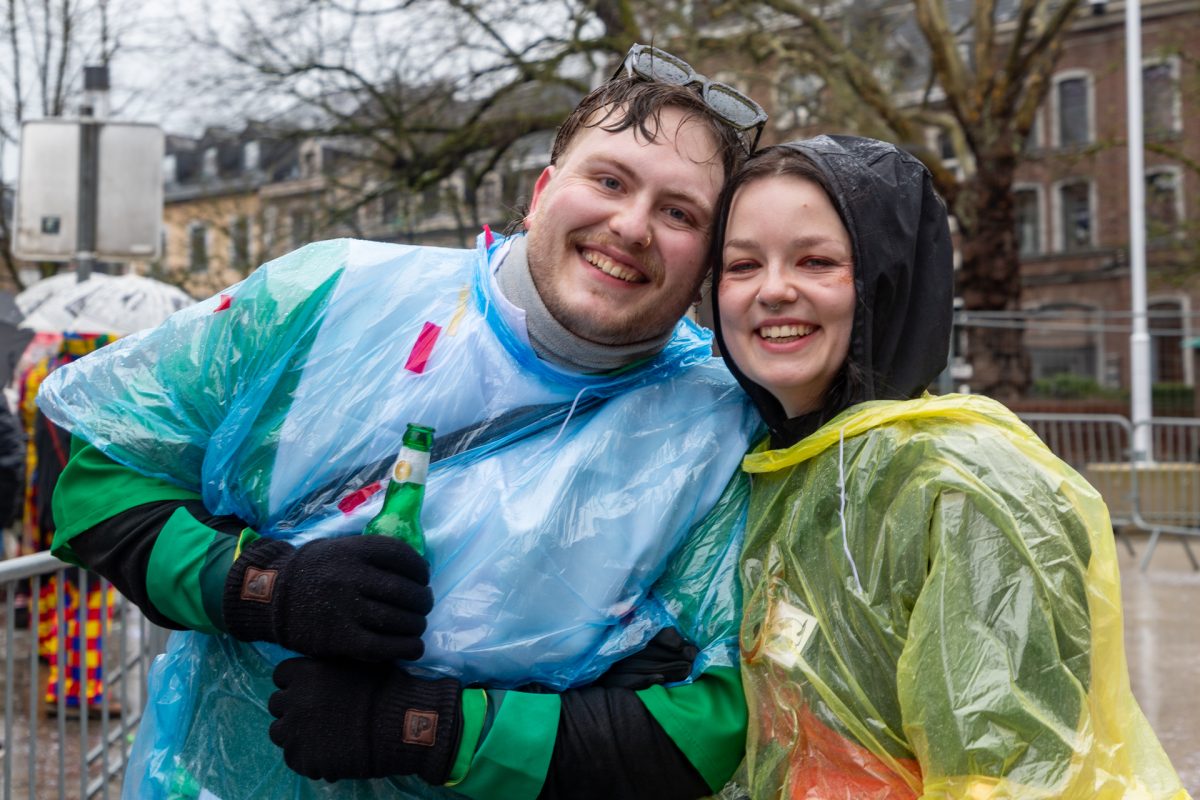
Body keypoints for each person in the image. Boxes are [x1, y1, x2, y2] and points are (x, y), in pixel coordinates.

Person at [37, 45, 767, 800]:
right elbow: (98, 476)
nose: (632, 225)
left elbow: (714, 721)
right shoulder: (327, 294)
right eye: (609, 180)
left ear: (709, 259)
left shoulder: (722, 429)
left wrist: (433, 728)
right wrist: (268, 590)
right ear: (544, 190)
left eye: (680, 213)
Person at [709, 134, 1193, 799]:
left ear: (888, 280)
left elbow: (1011, 774)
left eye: (816, 260)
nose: (773, 290)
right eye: (741, 265)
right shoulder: (765, 470)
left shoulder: (965, 486)